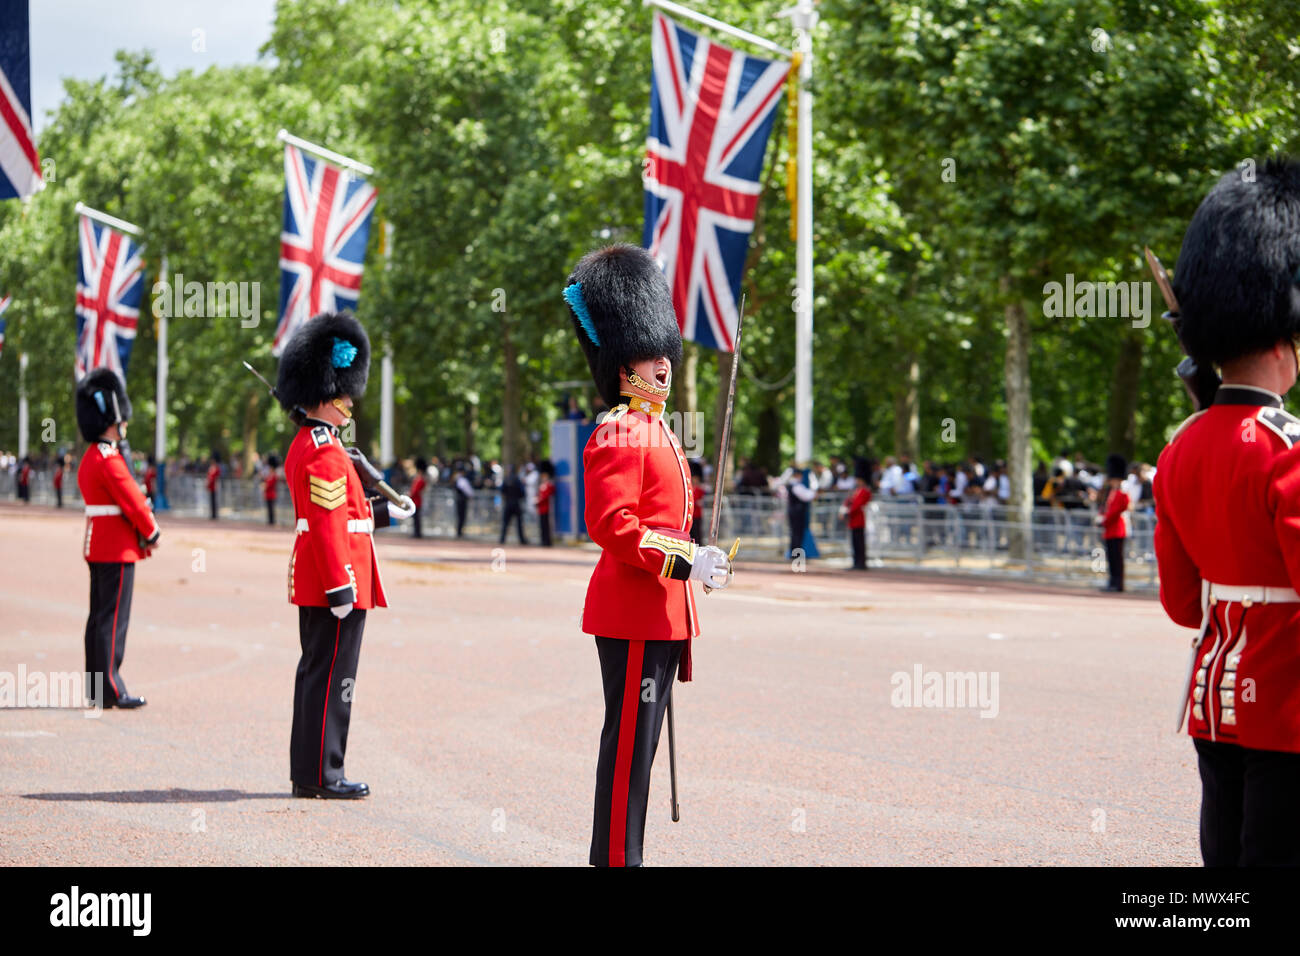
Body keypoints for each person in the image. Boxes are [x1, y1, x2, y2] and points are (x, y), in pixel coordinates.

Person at [563, 244, 734, 867]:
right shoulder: (619, 429)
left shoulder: (657, 428)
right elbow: (613, 525)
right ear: (619, 362)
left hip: (658, 610)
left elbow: (667, 522)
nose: (662, 362)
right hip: (634, 611)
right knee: (631, 746)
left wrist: (701, 557)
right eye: (646, 352)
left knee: (641, 750)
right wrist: (685, 560)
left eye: (664, 351)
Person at [1153, 157, 1300, 865]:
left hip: (1217, 696)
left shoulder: (1180, 449)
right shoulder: (1288, 449)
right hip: (1286, 700)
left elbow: (1184, 603)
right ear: (1284, 341)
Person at [275, 311, 416, 800]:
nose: (351, 401)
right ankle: (322, 774)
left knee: (321, 674)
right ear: (327, 393)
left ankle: (312, 771)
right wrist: (340, 585)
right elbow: (328, 526)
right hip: (334, 581)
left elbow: (346, 515)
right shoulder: (324, 451)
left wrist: (387, 513)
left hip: (327, 576)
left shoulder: (315, 445)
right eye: (345, 393)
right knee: (331, 678)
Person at [75, 368, 159, 709]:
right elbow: (133, 500)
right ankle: (111, 687)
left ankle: (97, 687)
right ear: (114, 419)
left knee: (98, 618)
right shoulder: (110, 459)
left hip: (99, 543)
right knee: (112, 620)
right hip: (118, 547)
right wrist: (152, 531)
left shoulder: (91, 457)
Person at [1096, 453, 1129, 592]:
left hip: (1117, 529)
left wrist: (1104, 520)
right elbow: (1107, 508)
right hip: (1110, 529)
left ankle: (1118, 583)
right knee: (1111, 558)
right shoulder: (1112, 492)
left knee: (1117, 559)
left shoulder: (1122, 493)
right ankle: (1112, 582)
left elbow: (1115, 511)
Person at [841, 457, 872, 570]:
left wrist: (848, 512)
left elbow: (857, 505)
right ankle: (856, 562)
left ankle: (860, 563)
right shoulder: (857, 490)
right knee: (855, 543)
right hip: (854, 520)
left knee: (859, 543)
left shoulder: (864, 491)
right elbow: (850, 501)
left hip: (858, 519)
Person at [786, 464, 818, 559]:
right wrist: (814, 494)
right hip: (797, 513)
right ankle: (796, 554)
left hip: (795, 512)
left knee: (795, 533)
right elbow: (806, 496)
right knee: (797, 534)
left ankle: (795, 553)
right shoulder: (796, 486)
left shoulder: (794, 485)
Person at [499, 466, 528, 544]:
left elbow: (502, 490)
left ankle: (502, 539)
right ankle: (522, 540)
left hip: (508, 503)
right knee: (519, 523)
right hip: (516, 503)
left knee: (505, 523)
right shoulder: (517, 480)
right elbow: (522, 492)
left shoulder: (506, 479)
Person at [536, 459, 555, 546]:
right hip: (541, 508)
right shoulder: (542, 485)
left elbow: (546, 496)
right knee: (542, 526)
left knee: (546, 526)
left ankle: (547, 541)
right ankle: (543, 541)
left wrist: (538, 500)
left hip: (546, 508)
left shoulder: (549, 485)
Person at [453, 468, 474, 538]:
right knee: (461, 517)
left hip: (460, 500)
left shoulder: (458, 479)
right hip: (462, 501)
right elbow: (468, 491)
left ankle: (459, 531)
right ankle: (459, 532)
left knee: (460, 517)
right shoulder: (462, 480)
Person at [409, 458, 428, 539]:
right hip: (416, 500)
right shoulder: (420, 479)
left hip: (416, 501)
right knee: (416, 518)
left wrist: (410, 495)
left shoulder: (420, 479)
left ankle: (417, 533)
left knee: (417, 519)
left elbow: (415, 491)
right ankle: (417, 532)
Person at [689, 460, 706, 545]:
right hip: (690, 516)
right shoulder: (690, 488)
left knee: (697, 535)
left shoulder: (700, 489)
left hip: (697, 516)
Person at [263, 453, 280, 526]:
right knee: (269, 508)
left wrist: (265, 486)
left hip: (272, 494)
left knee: (271, 509)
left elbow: (270, 484)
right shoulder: (269, 476)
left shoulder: (274, 476)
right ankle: (270, 520)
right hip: (268, 494)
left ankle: (272, 521)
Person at [206, 454, 221, 520]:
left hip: (214, 485)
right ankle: (212, 514)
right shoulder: (211, 468)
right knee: (212, 501)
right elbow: (209, 477)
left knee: (215, 501)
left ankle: (215, 514)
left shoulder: (216, 468)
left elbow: (217, 477)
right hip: (211, 486)